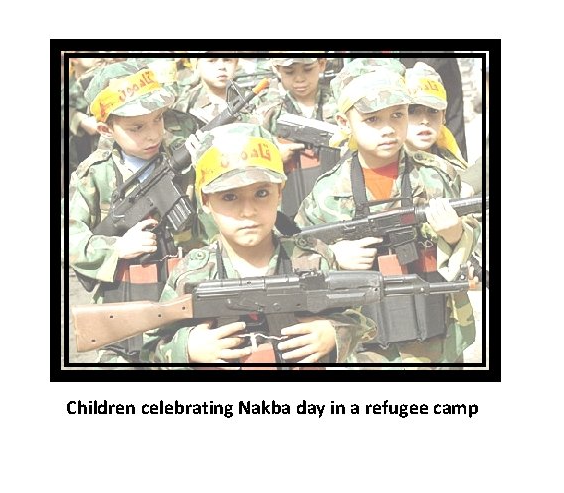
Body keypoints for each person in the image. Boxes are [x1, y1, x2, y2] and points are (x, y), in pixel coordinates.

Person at [141, 123, 375, 369]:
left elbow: (358, 320)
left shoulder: (312, 257)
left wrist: (333, 333)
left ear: (280, 192)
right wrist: (187, 347)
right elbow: (152, 348)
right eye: (229, 196)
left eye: (261, 193)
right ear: (206, 201)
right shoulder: (192, 273)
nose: (248, 211)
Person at [294, 58, 480, 369]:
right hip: (365, 347)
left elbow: (474, 238)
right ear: (344, 123)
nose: (389, 129)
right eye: (372, 119)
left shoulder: (435, 175)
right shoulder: (327, 192)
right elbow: (295, 256)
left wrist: (456, 235)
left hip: (438, 341)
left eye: (398, 115)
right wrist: (334, 256)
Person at [67, 61, 204, 365]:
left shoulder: (181, 163)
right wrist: (116, 247)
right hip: (123, 305)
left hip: (181, 300)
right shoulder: (96, 174)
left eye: (158, 120)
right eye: (136, 127)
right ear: (105, 129)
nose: (153, 134)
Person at [251, 57, 342, 218]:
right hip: (285, 201)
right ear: (276, 69)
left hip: (334, 202)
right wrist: (272, 155)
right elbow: (247, 153)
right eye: (289, 71)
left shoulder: (337, 101)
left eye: (307, 69)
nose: (299, 78)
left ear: (322, 64)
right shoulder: (267, 108)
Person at [173, 56, 242, 126]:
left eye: (227, 60)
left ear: (236, 64)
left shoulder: (251, 101)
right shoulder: (183, 106)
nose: (221, 66)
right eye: (211, 61)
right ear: (196, 65)